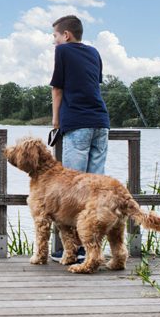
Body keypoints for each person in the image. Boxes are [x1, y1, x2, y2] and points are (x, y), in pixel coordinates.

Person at [49, 15, 110, 262]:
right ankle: (92, 247)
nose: (53, 41)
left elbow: (57, 88)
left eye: (54, 36)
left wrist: (55, 121)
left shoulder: (63, 52)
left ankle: (72, 249)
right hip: (101, 124)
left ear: (66, 35)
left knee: (74, 189)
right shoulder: (94, 52)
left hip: (78, 124)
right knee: (95, 189)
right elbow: (92, 83)